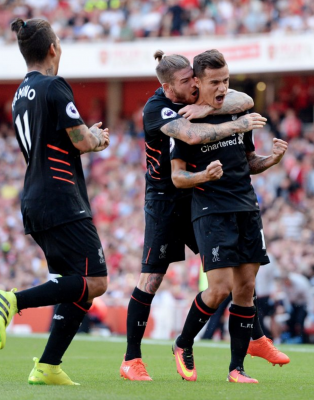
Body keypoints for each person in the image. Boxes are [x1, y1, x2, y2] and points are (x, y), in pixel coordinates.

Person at [120, 50, 269, 381]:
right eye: (187, 81)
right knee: (152, 278)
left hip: (197, 195)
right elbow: (190, 135)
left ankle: (255, 339)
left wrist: (208, 106)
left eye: (194, 79)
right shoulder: (156, 108)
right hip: (164, 199)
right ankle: (131, 359)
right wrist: (238, 124)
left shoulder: (196, 99)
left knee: (230, 269)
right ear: (169, 87)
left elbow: (243, 98)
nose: (194, 85)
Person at [0, 18, 110, 386]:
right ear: (53, 48)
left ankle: (48, 365)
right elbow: (82, 142)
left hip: (35, 197)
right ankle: (13, 301)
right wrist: (98, 138)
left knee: (70, 282)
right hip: (61, 197)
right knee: (96, 281)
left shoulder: (19, 93)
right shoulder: (55, 86)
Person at [170, 49, 289, 383]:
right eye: (215, 82)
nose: (222, 87)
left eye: (226, 80)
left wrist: (272, 160)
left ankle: (236, 368)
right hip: (210, 208)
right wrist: (205, 176)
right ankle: (183, 343)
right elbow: (177, 177)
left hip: (246, 205)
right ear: (197, 82)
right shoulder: (185, 121)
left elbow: (248, 161)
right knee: (219, 288)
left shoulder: (238, 111)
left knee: (246, 287)